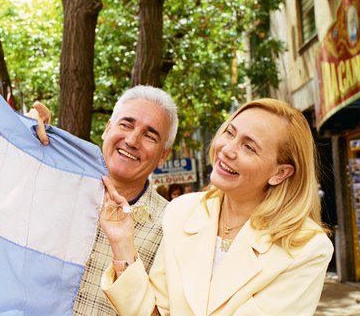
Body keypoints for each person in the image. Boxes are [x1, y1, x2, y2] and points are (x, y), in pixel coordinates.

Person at [98, 98, 333, 315]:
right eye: (230, 133)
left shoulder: (307, 247)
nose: (227, 149)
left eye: (249, 147)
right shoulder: (181, 212)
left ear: (280, 173)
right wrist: (122, 244)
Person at [28, 85, 178, 315]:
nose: (132, 140)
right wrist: (22, 141)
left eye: (149, 135)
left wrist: (123, 250)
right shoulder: (57, 185)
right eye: (126, 125)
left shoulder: (173, 229)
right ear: (108, 129)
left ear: (163, 156)